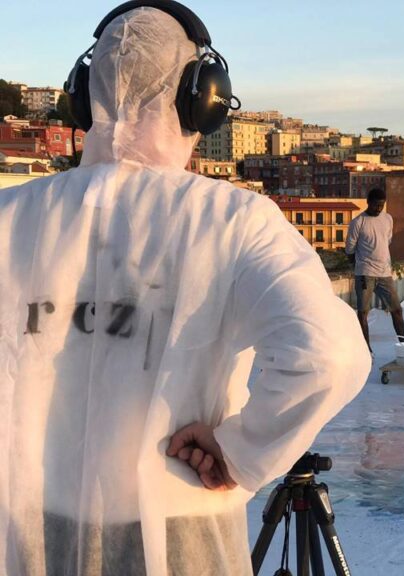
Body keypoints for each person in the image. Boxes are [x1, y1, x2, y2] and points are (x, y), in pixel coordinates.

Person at [0, 3, 370, 575]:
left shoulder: (9, 215)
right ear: (202, 99)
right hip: (174, 530)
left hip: (26, 531)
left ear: (81, 95)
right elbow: (328, 356)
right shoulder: (232, 220)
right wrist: (238, 450)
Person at [345, 188, 404, 351]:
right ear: (368, 202)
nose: (378, 208)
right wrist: (359, 267)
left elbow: (387, 240)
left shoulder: (388, 219)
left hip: (385, 274)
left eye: (381, 205)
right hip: (365, 274)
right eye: (375, 205)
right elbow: (350, 249)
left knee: (397, 310)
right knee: (363, 312)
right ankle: (367, 349)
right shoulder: (358, 222)